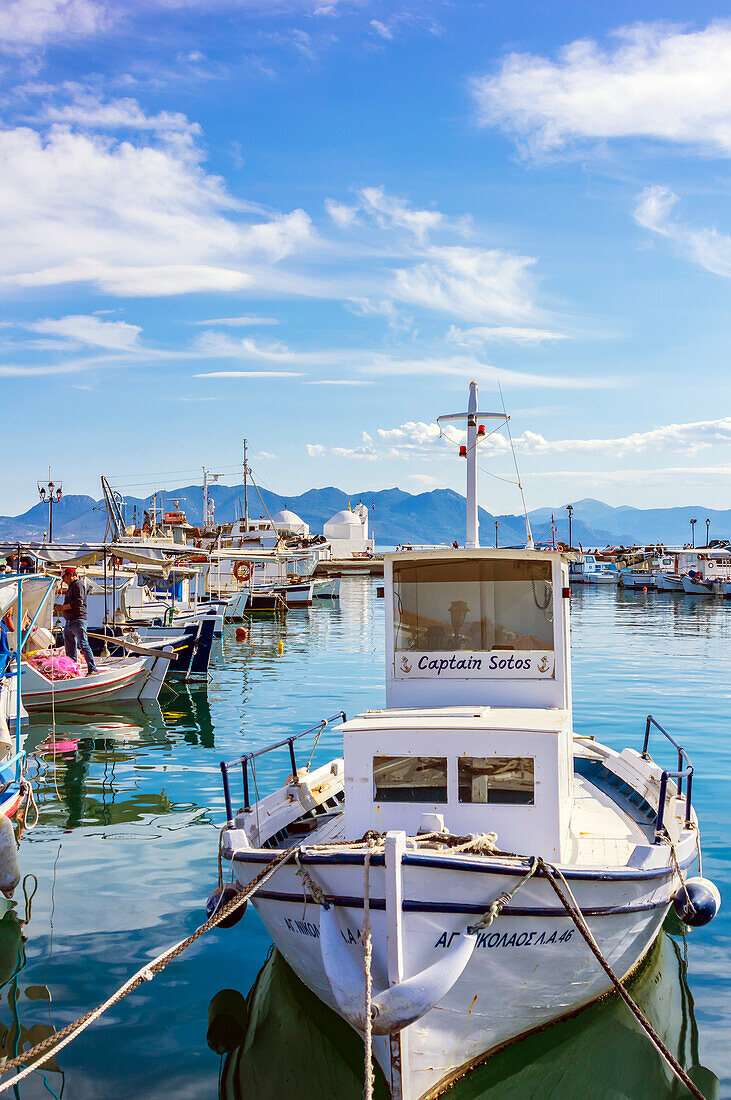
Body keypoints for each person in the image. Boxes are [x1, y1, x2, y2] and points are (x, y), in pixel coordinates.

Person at [54, 568, 98, 675]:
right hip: (70, 621)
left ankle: (92, 669)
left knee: (83, 644)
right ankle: (73, 669)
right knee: (70, 646)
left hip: (78, 620)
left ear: (70, 575)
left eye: (64, 577)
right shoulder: (72, 587)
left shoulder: (77, 585)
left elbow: (79, 602)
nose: (63, 581)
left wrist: (63, 608)